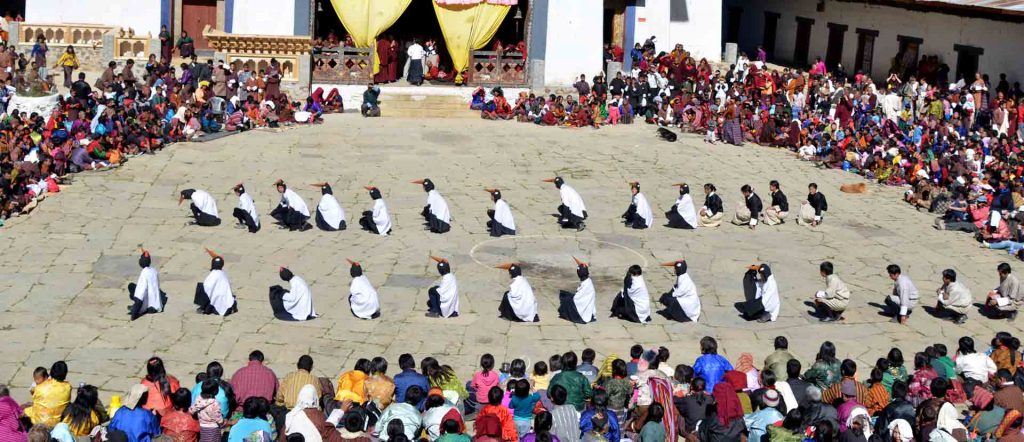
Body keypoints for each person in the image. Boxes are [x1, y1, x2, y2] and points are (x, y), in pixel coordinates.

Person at [193, 248, 237, 316]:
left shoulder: (213, 274)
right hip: (227, 302)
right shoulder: (224, 274)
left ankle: (202, 308)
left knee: (201, 287)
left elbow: (207, 288)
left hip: (217, 304)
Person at [128, 248, 165, 321]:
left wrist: (134, 312)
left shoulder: (144, 273)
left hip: (149, 306)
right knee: (133, 287)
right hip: (156, 305)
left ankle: (139, 308)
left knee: (131, 288)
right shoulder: (153, 270)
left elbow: (140, 293)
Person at [558, 257, 597, 324]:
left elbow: (577, 300)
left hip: (581, 310)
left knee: (565, 299)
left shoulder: (586, 285)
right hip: (582, 302)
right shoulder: (587, 281)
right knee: (565, 294)